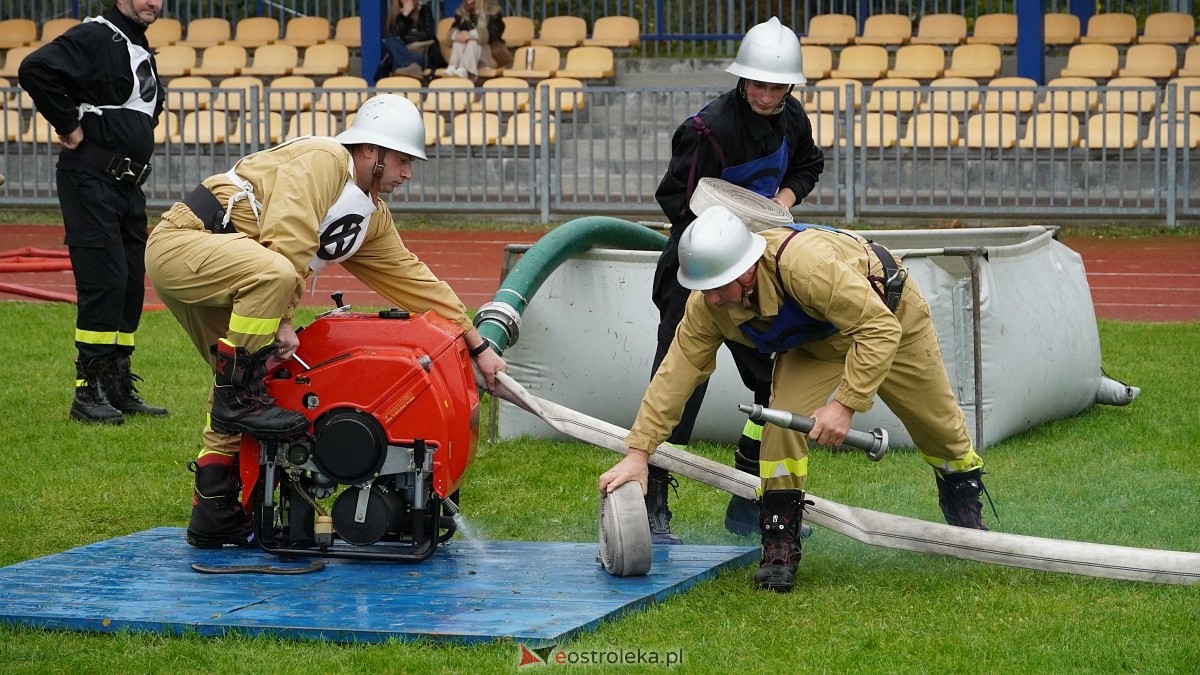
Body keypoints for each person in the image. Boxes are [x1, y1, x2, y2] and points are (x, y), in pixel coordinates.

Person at [144, 94, 508, 549]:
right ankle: (238, 403)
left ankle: (214, 510)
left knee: (259, 382)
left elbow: (415, 280)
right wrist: (281, 318)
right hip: (185, 242)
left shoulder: (369, 216)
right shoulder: (324, 158)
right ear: (370, 151)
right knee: (246, 377)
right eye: (401, 160)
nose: (408, 173)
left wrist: (478, 346)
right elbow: (288, 235)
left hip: (239, 274)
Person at [600, 204, 990, 593]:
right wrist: (639, 453)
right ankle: (779, 545)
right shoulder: (708, 307)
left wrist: (844, 405)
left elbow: (878, 329)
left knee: (939, 429)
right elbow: (675, 375)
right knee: (781, 423)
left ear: (748, 270)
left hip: (891, 318)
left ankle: (966, 513)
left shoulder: (806, 268)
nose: (713, 299)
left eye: (719, 287)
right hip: (816, 346)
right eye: (704, 288)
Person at [647, 17, 824, 544]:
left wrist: (779, 205)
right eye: (758, 84)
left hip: (757, 274)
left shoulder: (792, 118)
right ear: (741, 79)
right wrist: (730, 221)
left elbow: (808, 166)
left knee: (775, 385)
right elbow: (674, 197)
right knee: (679, 390)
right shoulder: (708, 129)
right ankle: (651, 502)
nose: (768, 96)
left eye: (778, 86)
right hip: (696, 276)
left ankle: (750, 496)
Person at [18, 0, 169, 425]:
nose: (152, 2)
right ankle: (89, 390)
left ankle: (117, 385)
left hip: (127, 185)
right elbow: (35, 69)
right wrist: (67, 124)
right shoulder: (96, 35)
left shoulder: (137, 45)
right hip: (90, 180)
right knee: (104, 279)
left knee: (128, 283)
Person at [376, 0, 443, 80]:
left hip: (422, 54)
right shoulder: (396, 14)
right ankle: (412, 67)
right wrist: (405, 15)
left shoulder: (424, 10)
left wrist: (404, 38)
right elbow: (393, 36)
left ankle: (410, 68)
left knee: (398, 65)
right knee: (390, 41)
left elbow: (428, 34)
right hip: (403, 53)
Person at [442, 0, 506, 79]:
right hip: (466, 55)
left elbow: (494, 32)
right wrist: (457, 35)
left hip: (487, 57)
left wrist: (471, 35)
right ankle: (452, 66)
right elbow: (455, 27)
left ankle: (464, 69)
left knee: (473, 41)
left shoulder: (493, 12)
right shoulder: (462, 12)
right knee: (459, 41)